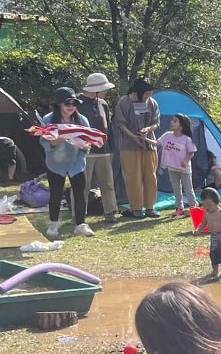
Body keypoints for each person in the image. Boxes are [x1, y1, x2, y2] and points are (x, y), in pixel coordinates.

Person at [40, 87, 94, 238]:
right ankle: (53, 223)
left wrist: (85, 145)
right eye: (67, 103)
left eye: (74, 103)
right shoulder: (48, 120)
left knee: (80, 194)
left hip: (77, 162)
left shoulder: (82, 120)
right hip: (55, 163)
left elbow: (88, 141)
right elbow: (46, 143)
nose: (71, 106)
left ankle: (80, 224)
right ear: (58, 104)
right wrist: (62, 136)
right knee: (56, 194)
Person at [114, 77, 161, 218]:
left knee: (150, 176)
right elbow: (120, 124)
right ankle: (136, 208)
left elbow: (156, 122)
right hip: (129, 146)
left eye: (150, 93)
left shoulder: (152, 102)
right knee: (133, 177)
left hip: (148, 144)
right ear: (138, 92)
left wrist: (148, 129)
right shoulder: (124, 102)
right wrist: (133, 136)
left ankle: (150, 207)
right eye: (146, 93)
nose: (149, 96)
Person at [77, 72, 118, 223]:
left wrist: (111, 148)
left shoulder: (103, 104)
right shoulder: (77, 102)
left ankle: (110, 211)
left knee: (107, 183)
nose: (106, 91)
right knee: (83, 185)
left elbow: (109, 127)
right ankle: (79, 214)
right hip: (84, 150)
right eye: (104, 89)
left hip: (103, 150)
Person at [158, 114, 198, 216]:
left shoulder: (186, 139)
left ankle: (193, 207)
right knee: (176, 188)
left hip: (184, 169)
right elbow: (157, 143)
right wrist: (145, 138)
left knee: (188, 188)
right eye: (172, 120)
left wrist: (185, 160)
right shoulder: (167, 135)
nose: (172, 122)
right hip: (172, 167)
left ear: (181, 126)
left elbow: (191, 152)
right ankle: (179, 208)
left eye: (175, 121)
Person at [194, 187, 221, 281]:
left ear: (216, 202)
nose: (207, 207)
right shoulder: (206, 213)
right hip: (213, 236)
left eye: (209, 204)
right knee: (213, 254)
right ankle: (215, 271)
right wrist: (198, 230)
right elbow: (203, 223)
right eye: (204, 205)